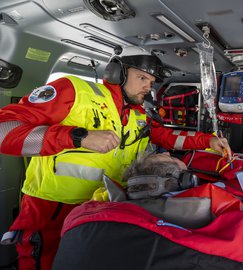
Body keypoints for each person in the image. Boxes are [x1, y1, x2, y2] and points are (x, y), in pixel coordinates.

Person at [0, 45, 230, 270]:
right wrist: (77, 137)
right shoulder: (73, 91)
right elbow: (4, 130)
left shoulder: (137, 114)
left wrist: (207, 141)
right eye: (142, 78)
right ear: (117, 72)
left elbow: (166, 136)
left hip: (104, 206)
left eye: (151, 83)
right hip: (53, 207)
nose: (147, 88)